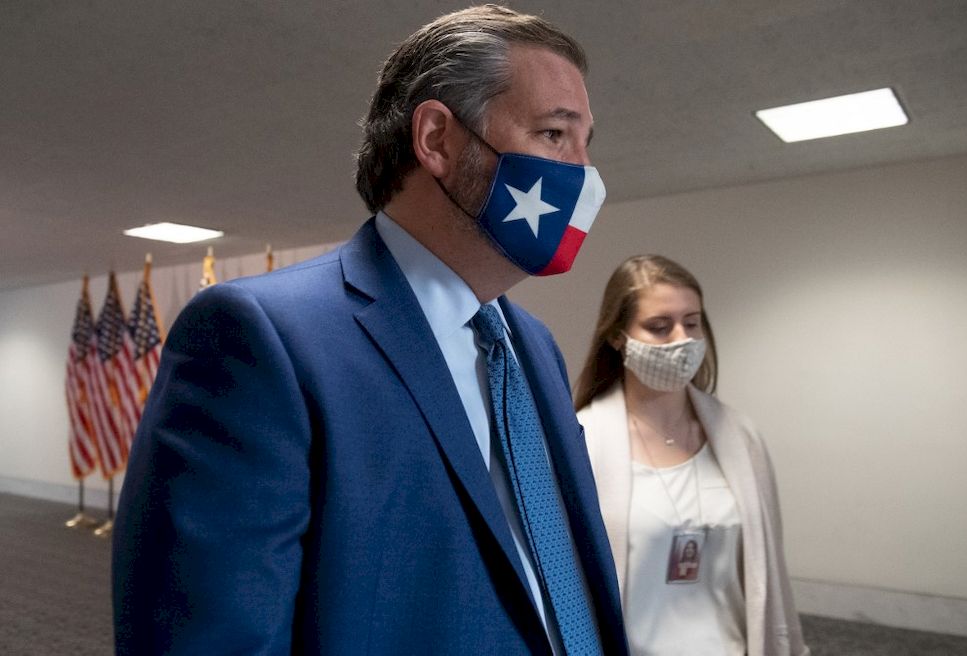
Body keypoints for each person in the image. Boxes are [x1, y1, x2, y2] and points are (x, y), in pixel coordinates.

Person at [112, 6, 628, 654]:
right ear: (437, 138)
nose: (582, 174)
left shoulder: (536, 350)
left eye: (586, 143)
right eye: (555, 134)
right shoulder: (256, 340)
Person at [575, 255, 809, 655]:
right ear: (617, 336)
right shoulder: (582, 440)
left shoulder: (739, 437)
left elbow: (770, 571)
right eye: (659, 327)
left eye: (692, 322)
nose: (681, 340)